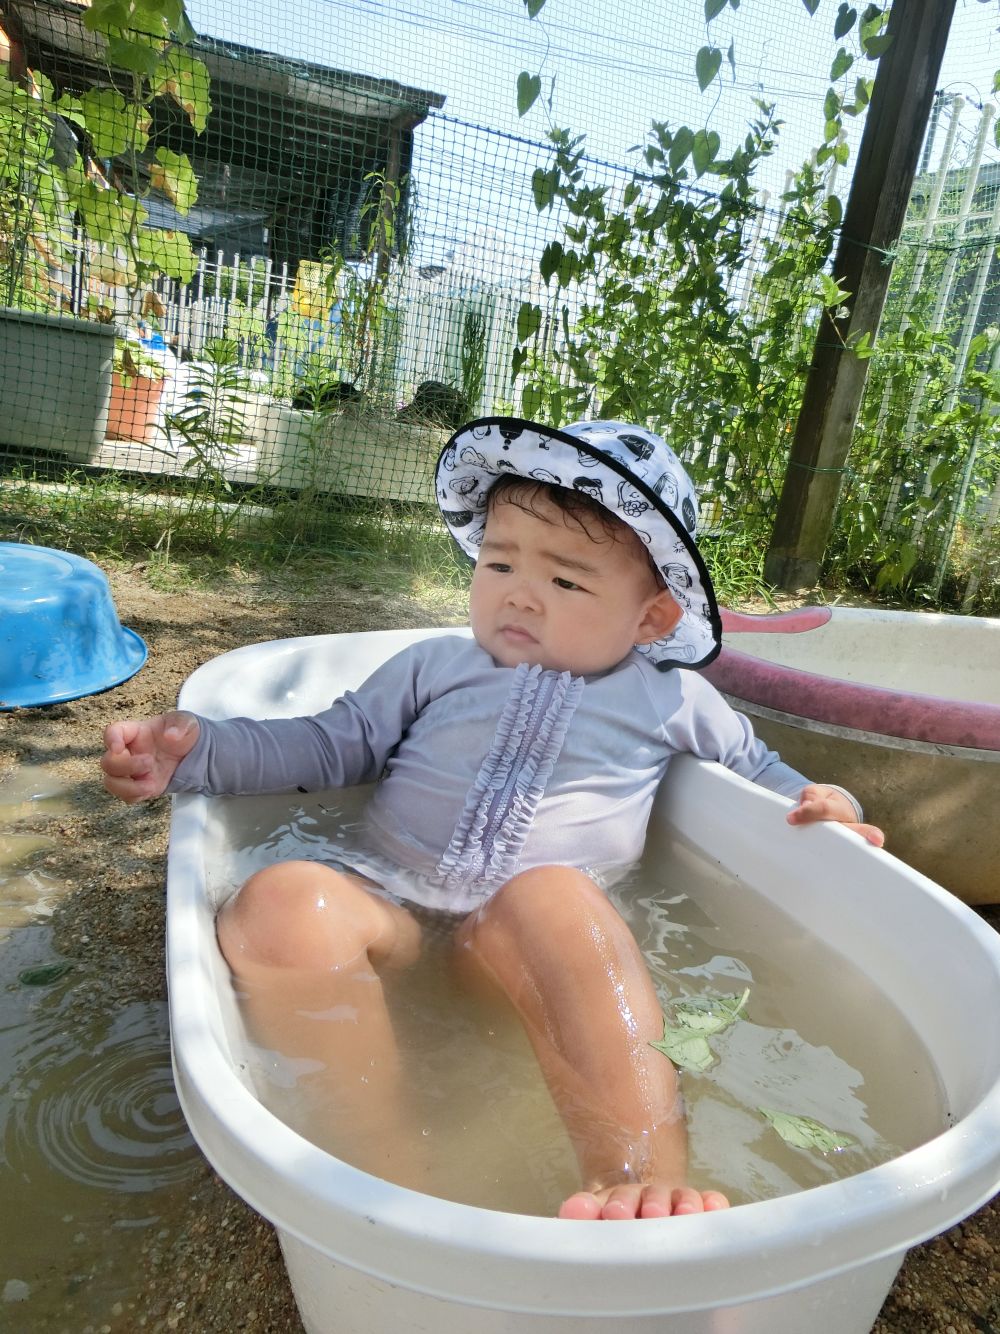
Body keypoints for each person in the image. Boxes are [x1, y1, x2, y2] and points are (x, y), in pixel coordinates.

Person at [101, 418, 884, 1222]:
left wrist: (834, 805)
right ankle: (381, 1166)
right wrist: (197, 753)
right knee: (282, 903)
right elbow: (328, 746)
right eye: (500, 561)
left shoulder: (675, 699)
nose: (517, 591)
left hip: (522, 954)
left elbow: (764, 775)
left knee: (556, 898)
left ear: (650, 619)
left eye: (568, 582)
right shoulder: (437, 666)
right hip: (388, 909)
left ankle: (637, 1176)